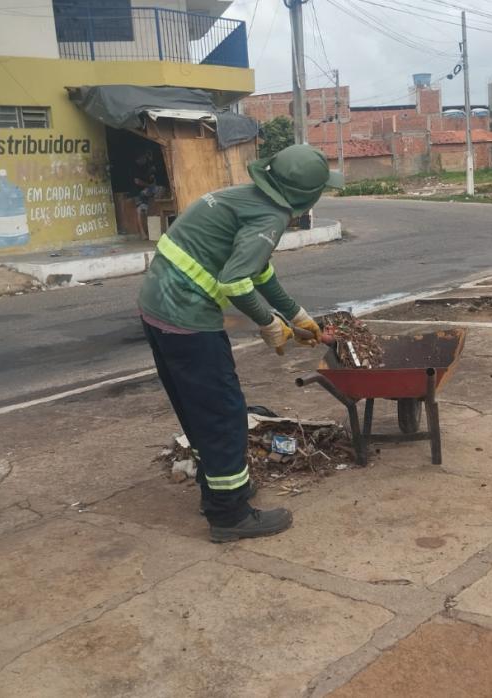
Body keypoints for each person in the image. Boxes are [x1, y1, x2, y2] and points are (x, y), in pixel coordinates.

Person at [138, 144, 344, 542]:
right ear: (307, 197)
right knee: (223, 414)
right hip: (186, 319)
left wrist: (298, 317)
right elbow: (235, 282)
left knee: (199, 409)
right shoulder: (271, 216)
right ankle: (229, 515)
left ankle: (221, 488)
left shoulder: (246, 198)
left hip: (157, 308)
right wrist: (269, 325)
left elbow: (259, 272)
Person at [131, 149, 165, 237]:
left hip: (147, 190)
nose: (144, 160)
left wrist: (151, 175)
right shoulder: (135, 168)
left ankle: (157, 206)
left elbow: (151, 177)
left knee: (161, 189)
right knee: (140, 210)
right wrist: (149, 185)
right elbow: (137, 181)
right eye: (143, 158)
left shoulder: (147, 165)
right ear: (138, 159)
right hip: (138, 192)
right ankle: (143, 233)